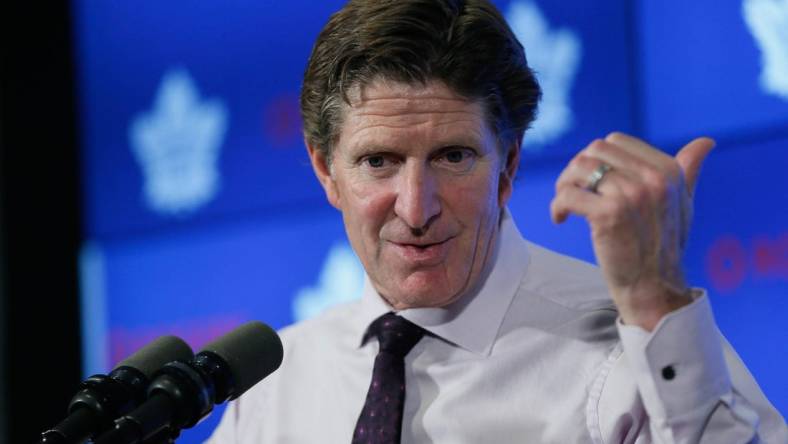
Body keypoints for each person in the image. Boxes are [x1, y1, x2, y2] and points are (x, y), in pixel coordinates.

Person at [208, 0, 788, 442]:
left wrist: (657, 302)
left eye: (453, 156)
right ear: (325, 171)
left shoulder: (634, 349)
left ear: (508, 165)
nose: (416, 208)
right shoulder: (275, 382)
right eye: (378, 161)